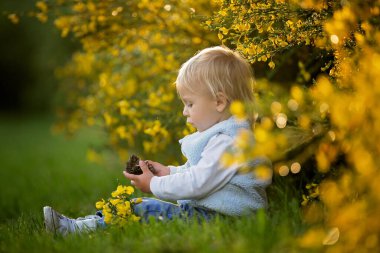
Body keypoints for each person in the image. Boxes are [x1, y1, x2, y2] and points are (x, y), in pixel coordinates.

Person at [43, 46, 272, 235]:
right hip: (223, 219)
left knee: (145, 208)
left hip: (222, 222)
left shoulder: (228, 141)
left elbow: (198, 183)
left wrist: (153, 185)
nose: (184, 112)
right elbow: (200, 173)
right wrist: (169, 173)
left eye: (189, 103)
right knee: (143, 207)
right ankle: (84, 225)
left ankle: (75, 229)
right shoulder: (228, 137)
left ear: (219, 102)